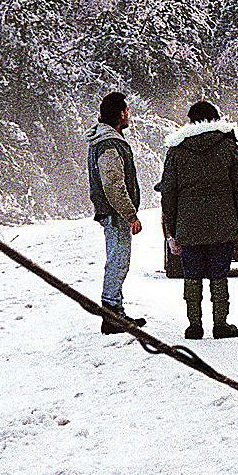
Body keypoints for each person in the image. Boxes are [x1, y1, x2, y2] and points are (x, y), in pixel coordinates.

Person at [157, 101, 238, 339]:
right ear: (215, 119)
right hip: (222, 221)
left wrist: (172, 226)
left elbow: (169, 191)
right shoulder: (228, 146)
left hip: (189, 223)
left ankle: (194, 325)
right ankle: (221, 324)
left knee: (192, 274)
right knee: (219, 273)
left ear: (191, 121)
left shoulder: (177, 150)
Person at [86, 92, 146, 334]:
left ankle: (116, 311)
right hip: (115, 213)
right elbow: (113, 183)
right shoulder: (109, 143)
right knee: (118, 261)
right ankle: (111, 314)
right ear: (120, 113)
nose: (128, 115)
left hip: (112, 211)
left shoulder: (104, 140)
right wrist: (130, 214)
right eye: (127, 111)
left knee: (118, 260)